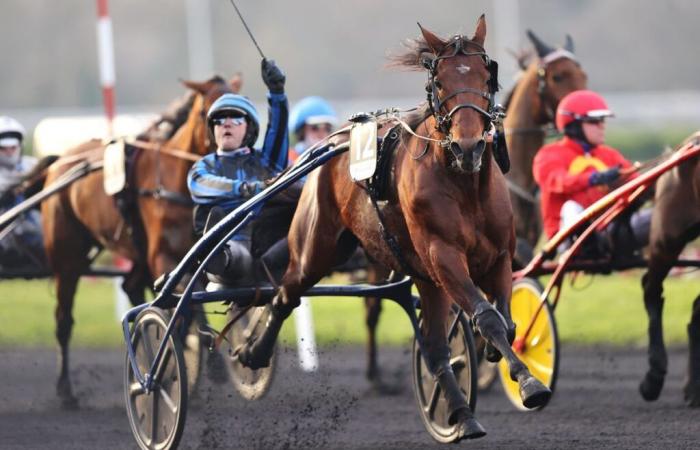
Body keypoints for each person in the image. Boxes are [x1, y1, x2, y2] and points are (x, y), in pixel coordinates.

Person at [187, 59, 288, 283]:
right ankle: (216, 253)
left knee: (304, 231)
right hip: (231, 243)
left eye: (235, 118)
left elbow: (278, 131)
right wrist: (244, 188)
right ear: (213, 129)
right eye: (220, 120)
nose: (226, 123)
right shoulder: (203, 167)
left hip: (268, 244)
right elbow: (200, 184)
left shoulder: (266, 162)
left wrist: (277, 92)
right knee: (235, 251)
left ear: (249, 127)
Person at [532, 90, 650, 256]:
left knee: (657, 215)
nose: (602, 126)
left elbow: (636, 183)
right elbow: (559, 181)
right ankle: (582, 249)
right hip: (564, 237)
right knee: (570, 207)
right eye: (594, 121)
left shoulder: (609, 154)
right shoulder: (549, 154)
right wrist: (595, 178)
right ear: (574, 125)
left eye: (602, 120)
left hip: (608, 231)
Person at [0, 116, 46, 269]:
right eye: (4, 149)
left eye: (13, 148)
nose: (9, 152)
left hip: (32, 220)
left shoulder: (32, 164)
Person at [288, 96, 337, 165]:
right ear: (302, 131)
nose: (321, 133)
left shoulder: (334, 159)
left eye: (327, 128)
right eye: (315, 127)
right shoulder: (289, 160)